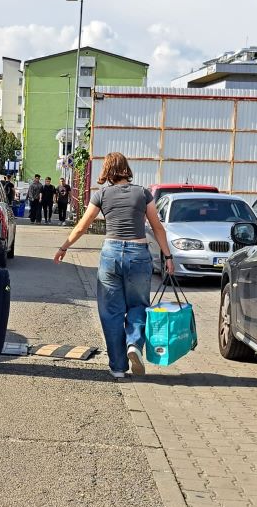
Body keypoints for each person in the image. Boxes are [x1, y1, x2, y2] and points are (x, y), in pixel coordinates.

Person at [53, 152, 174, 379]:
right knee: (138, 304)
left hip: (110, 254)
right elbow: (157, 228)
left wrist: (63, 247)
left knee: (111, 312)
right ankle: (134, 344)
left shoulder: (102, 195)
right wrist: (168, 257)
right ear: (126, 169)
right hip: (138, 254)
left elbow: (82, 226)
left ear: (107, 170)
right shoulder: (143, 193)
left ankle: (118, 367)